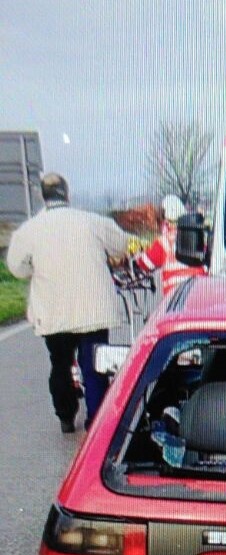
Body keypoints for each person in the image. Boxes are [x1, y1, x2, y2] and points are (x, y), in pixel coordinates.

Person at [6, 173, 130, 433]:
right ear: (67, 193)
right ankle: (96, 420)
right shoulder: (91, 221)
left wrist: (35, 268)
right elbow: (120, 244)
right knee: (94, 363)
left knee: (60, 364)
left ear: (43, 196)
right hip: (92, 309)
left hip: (54, 312)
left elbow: (16, 267)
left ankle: (65, 415)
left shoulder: (29, 230)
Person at [134, 194, 206, 297]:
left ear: (165, 218)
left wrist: (135, 258)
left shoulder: (163, 242)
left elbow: (145, 263)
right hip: (199, 293)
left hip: (175, 298)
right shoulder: (198, 236)